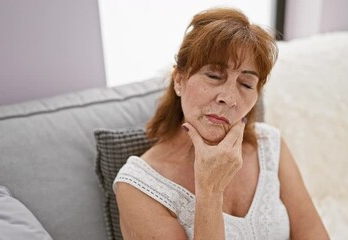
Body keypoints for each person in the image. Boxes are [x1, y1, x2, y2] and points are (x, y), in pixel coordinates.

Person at [114, 7, 329, 240]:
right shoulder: (138, 187)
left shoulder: (269, 144)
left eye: (246, 84)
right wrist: (210, 191)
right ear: (179, 80)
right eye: (214, 76)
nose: (229, 97)